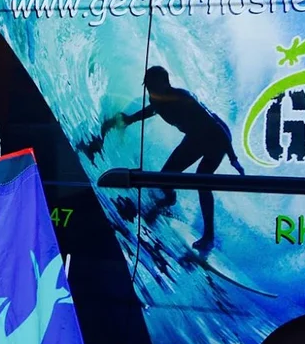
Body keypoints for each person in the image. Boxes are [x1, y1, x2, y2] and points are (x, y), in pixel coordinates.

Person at [102, 65, 244, 251]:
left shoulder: (183, 98)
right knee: (166, 177)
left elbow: (217, 128)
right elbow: (152, 109)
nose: (150, 90)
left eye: (153, 85)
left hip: (216, 139)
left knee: (202, 181)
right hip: (194, 138)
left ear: (166, 83)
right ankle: (170, 199)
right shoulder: (157, 98)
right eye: (147, 86)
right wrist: (130, 120)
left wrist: (233, 158)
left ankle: (208, 237)